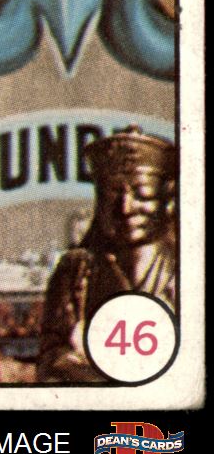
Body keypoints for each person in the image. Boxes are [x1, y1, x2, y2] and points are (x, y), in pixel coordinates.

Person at [37, 126, 176, 383]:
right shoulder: (76, 269)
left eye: (142, 195)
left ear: (166, 197)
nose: (125, 208)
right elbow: (52, 360)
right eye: (111, 193)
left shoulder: (186, 270)